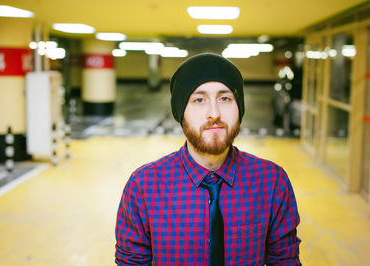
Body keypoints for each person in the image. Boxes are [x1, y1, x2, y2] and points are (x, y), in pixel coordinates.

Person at [115, 53, 301, 265]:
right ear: (180, 112)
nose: (214, 113)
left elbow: (284, 260)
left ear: (239, 108)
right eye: (199, 99)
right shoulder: (144, 186)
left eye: (225, 98)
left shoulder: (271, 181)